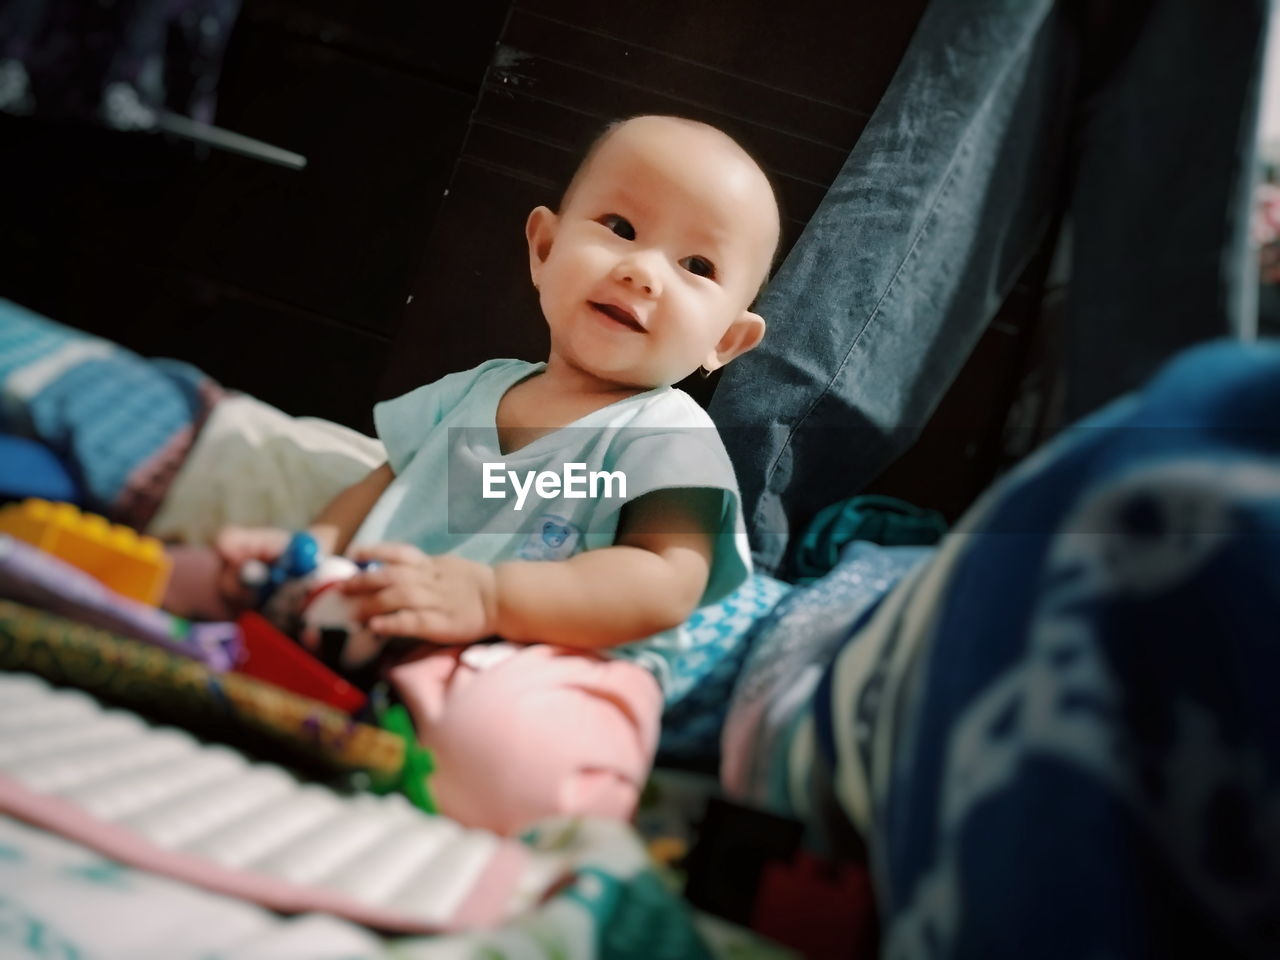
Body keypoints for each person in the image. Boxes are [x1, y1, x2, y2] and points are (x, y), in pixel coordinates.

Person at [205, 115, 782, 833]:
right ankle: (344, 697)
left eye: (697, 267)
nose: (642, 270)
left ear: (727, 338)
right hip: (393, 623)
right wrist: (306, 555)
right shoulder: (472, 392)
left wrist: (492, 596)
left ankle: (404, 731)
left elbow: (666, 583)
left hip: (554, 669)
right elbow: (384, 486)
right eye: (620, 226)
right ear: (544, 246)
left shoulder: (667, 433)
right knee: (219, 579)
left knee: (505, 748)